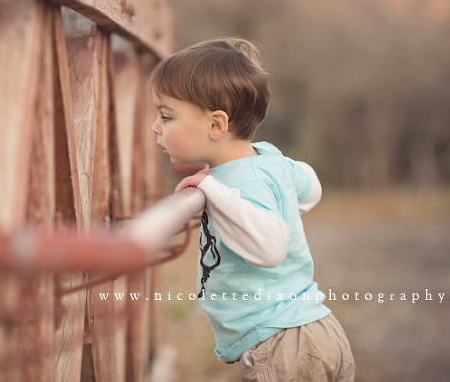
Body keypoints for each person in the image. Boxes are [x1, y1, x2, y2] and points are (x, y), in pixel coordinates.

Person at [149, 37, 355, 382]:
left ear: (216, 125)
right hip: (313, 330)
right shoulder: (267, 159)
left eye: (166, 116)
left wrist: (212, 190)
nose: (156, 126)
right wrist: (274, 200)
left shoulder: (235, 184)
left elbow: (271, 248)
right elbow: (311, 187)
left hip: (282, 346)